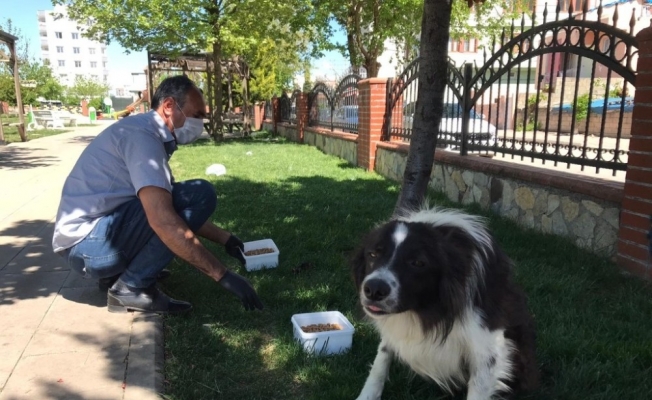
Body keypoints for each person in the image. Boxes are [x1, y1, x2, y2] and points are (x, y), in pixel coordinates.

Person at [52, 75, 263, 314]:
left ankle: (120, 274)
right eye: (197, 116)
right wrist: (223, 275)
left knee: (175, 201)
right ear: (169, 106)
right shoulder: (143, 139)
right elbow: (163, 220)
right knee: (200, 194)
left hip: (85, 246)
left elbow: (174, 208)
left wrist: (226, 240)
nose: (200, 124)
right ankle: (130, 287)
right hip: (89, 249)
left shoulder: (143, 130)